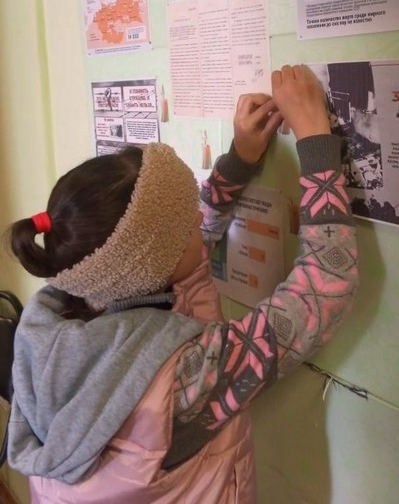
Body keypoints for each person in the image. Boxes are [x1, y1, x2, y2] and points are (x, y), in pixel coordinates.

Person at [6, 65, 359, 504]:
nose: (198, 218)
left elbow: (165, 248)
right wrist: (315, 139)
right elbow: (326, 284)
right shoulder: (188, 377)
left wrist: (239, 160)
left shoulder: (65, 305)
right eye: (188, 226)